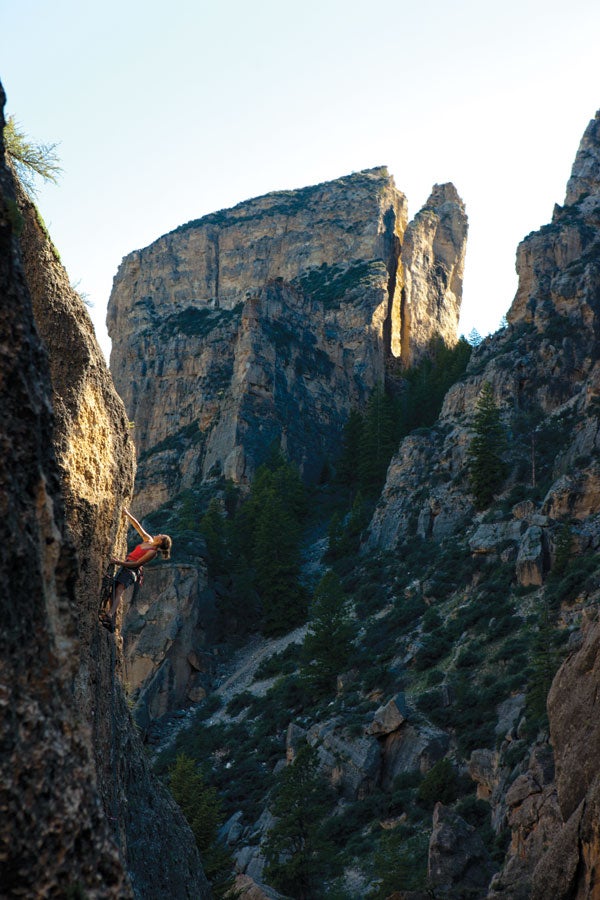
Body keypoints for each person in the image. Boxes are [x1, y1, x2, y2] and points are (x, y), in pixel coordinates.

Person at [100, 507, 172, 631]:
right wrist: (127, 514)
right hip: (127, 565)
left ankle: (110, 615)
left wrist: (118, 562)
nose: (159, 534)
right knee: (114, 590)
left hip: (131, 571)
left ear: (160, 541)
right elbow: (138, 527)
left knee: (118, 591)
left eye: (161, 536)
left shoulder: (152, 552)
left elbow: (136, 564)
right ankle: (109, 618)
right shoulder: (148, 540)